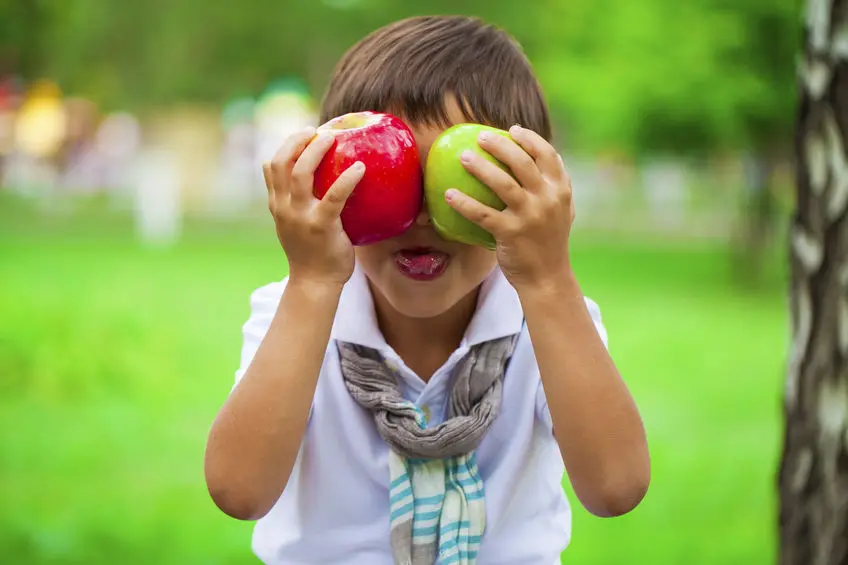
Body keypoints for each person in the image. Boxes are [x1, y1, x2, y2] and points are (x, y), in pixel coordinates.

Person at [204, 15, 650, 565]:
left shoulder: (551, 317)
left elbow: (616, 487)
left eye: (456, 176)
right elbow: (238, 491)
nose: (418, 213)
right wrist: (313, 282)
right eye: (384, 175)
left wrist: (549, 277)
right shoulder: (293, 311)